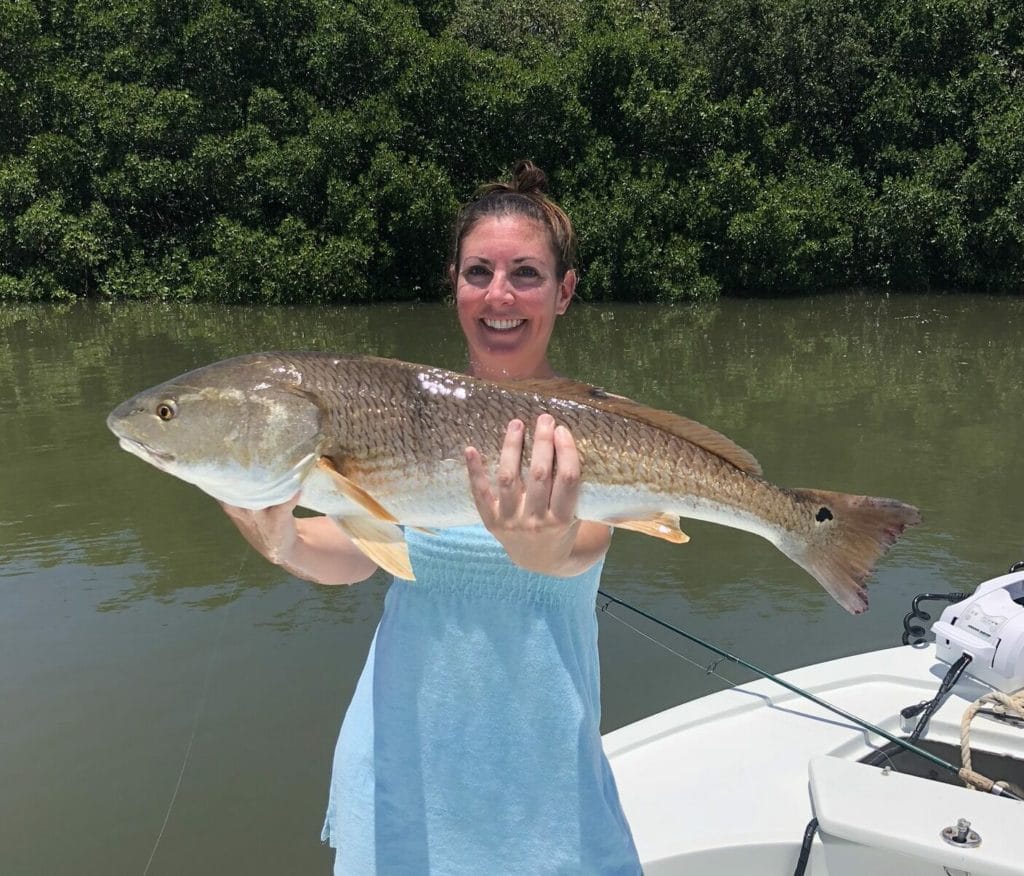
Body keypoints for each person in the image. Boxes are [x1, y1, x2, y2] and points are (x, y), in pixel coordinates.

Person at [221, 161, 642, 874]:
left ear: (564, 291)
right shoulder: (402, 412)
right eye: (478, 271)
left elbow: (583, 547)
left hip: (542, 793)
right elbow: (362, 552)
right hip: (399, 783)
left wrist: (543, 547)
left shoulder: (599, 427)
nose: (498, 295)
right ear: (454, 283)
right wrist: (283, 539)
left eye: (526, 275)